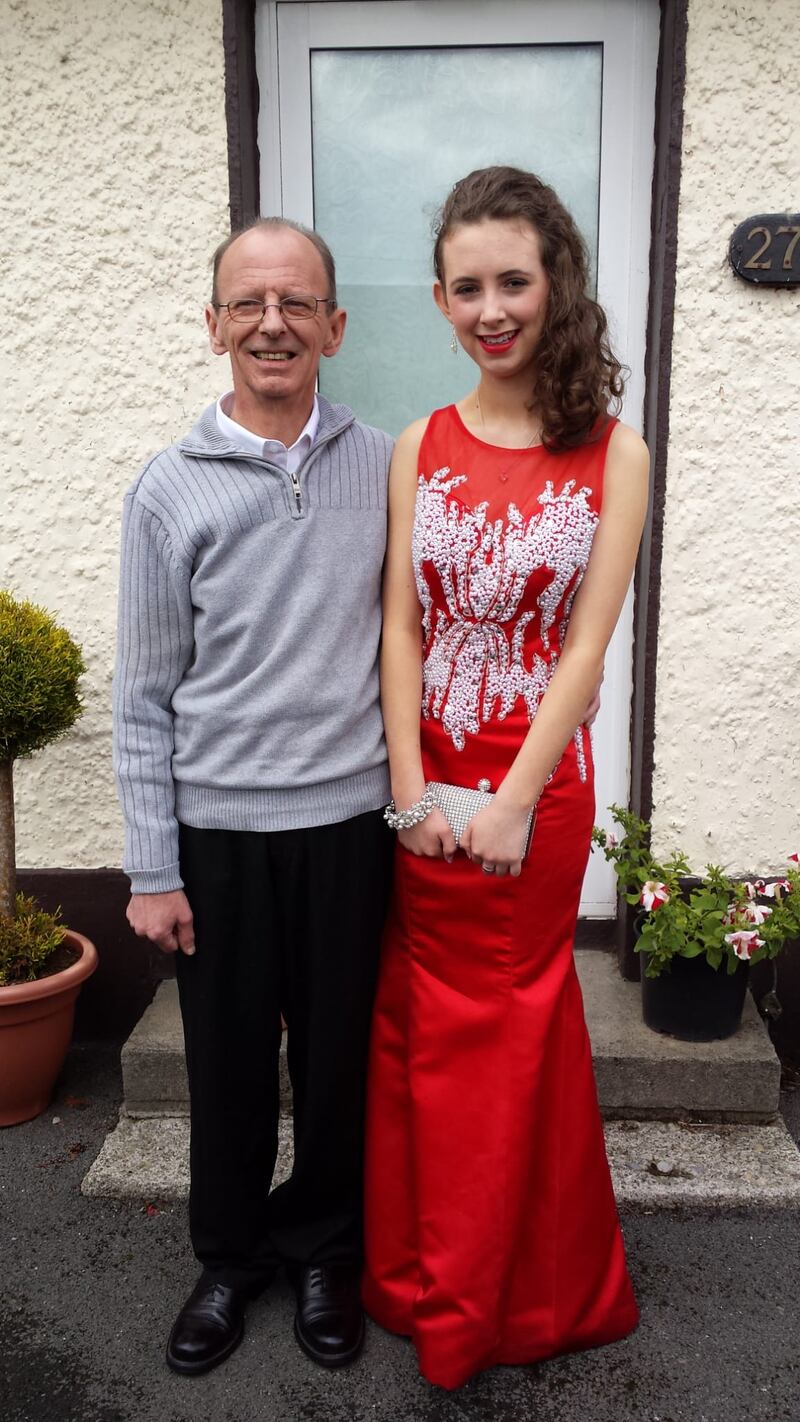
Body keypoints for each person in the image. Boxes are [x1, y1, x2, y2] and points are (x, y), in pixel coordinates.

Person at [362, 166, 650, 1390]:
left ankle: (510, 1293)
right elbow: (398, 631)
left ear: (554, 286)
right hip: (425, 784)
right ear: (438, 298)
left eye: (513, 282)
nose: (492, 307)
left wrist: (513, 800)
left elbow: (586, 646)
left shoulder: (615, 452)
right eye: (468, 286)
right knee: (418, 1028)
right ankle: (420, 1276)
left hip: (534, 791)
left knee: (509, 1031)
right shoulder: (417, 442)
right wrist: (411, 790)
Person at [113, 217, 395, 1375]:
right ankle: (229, 1260)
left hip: (348, 824)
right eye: (247, 304)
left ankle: (326, 1248)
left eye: (296, 303)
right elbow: (143, 693)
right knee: (227, 1063)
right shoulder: (167, 491)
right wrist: (150, 867)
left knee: (336, 1061)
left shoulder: (387, 464)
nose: (271, 324)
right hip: (218, 830)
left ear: (335, 323)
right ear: (215, 323)